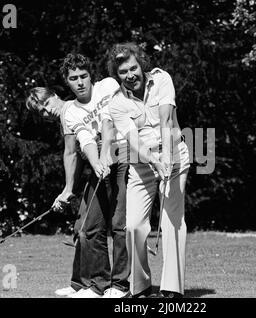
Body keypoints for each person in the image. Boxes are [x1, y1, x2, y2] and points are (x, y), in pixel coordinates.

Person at [25, 53, 130, 298]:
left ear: (55, 95)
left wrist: (101, 159)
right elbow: (79, 147)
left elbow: (109, 125)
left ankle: (118, 285)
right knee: (86, 227)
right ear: (67, 82)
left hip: (124, 156)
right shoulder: (70, 113)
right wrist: (71, 186)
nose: (80, 82)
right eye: (74, 78)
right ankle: (92, 284)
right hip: (99, 165)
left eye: (84, 76)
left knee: (119, 225)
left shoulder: (107, 87)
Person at [107, 43, 190, 298]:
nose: (130, 74)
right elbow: (133, 141)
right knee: (133, 225)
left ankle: (172, 290)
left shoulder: (161, 79)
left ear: (141, 64)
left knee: (171, 222)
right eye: (123, 72)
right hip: (141, 163)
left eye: (133, 68)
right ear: (116, 75)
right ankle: (141, 286)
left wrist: (166, 157)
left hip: (174, 157)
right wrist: (154, 161)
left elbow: (166, 120)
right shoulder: (117, 104)